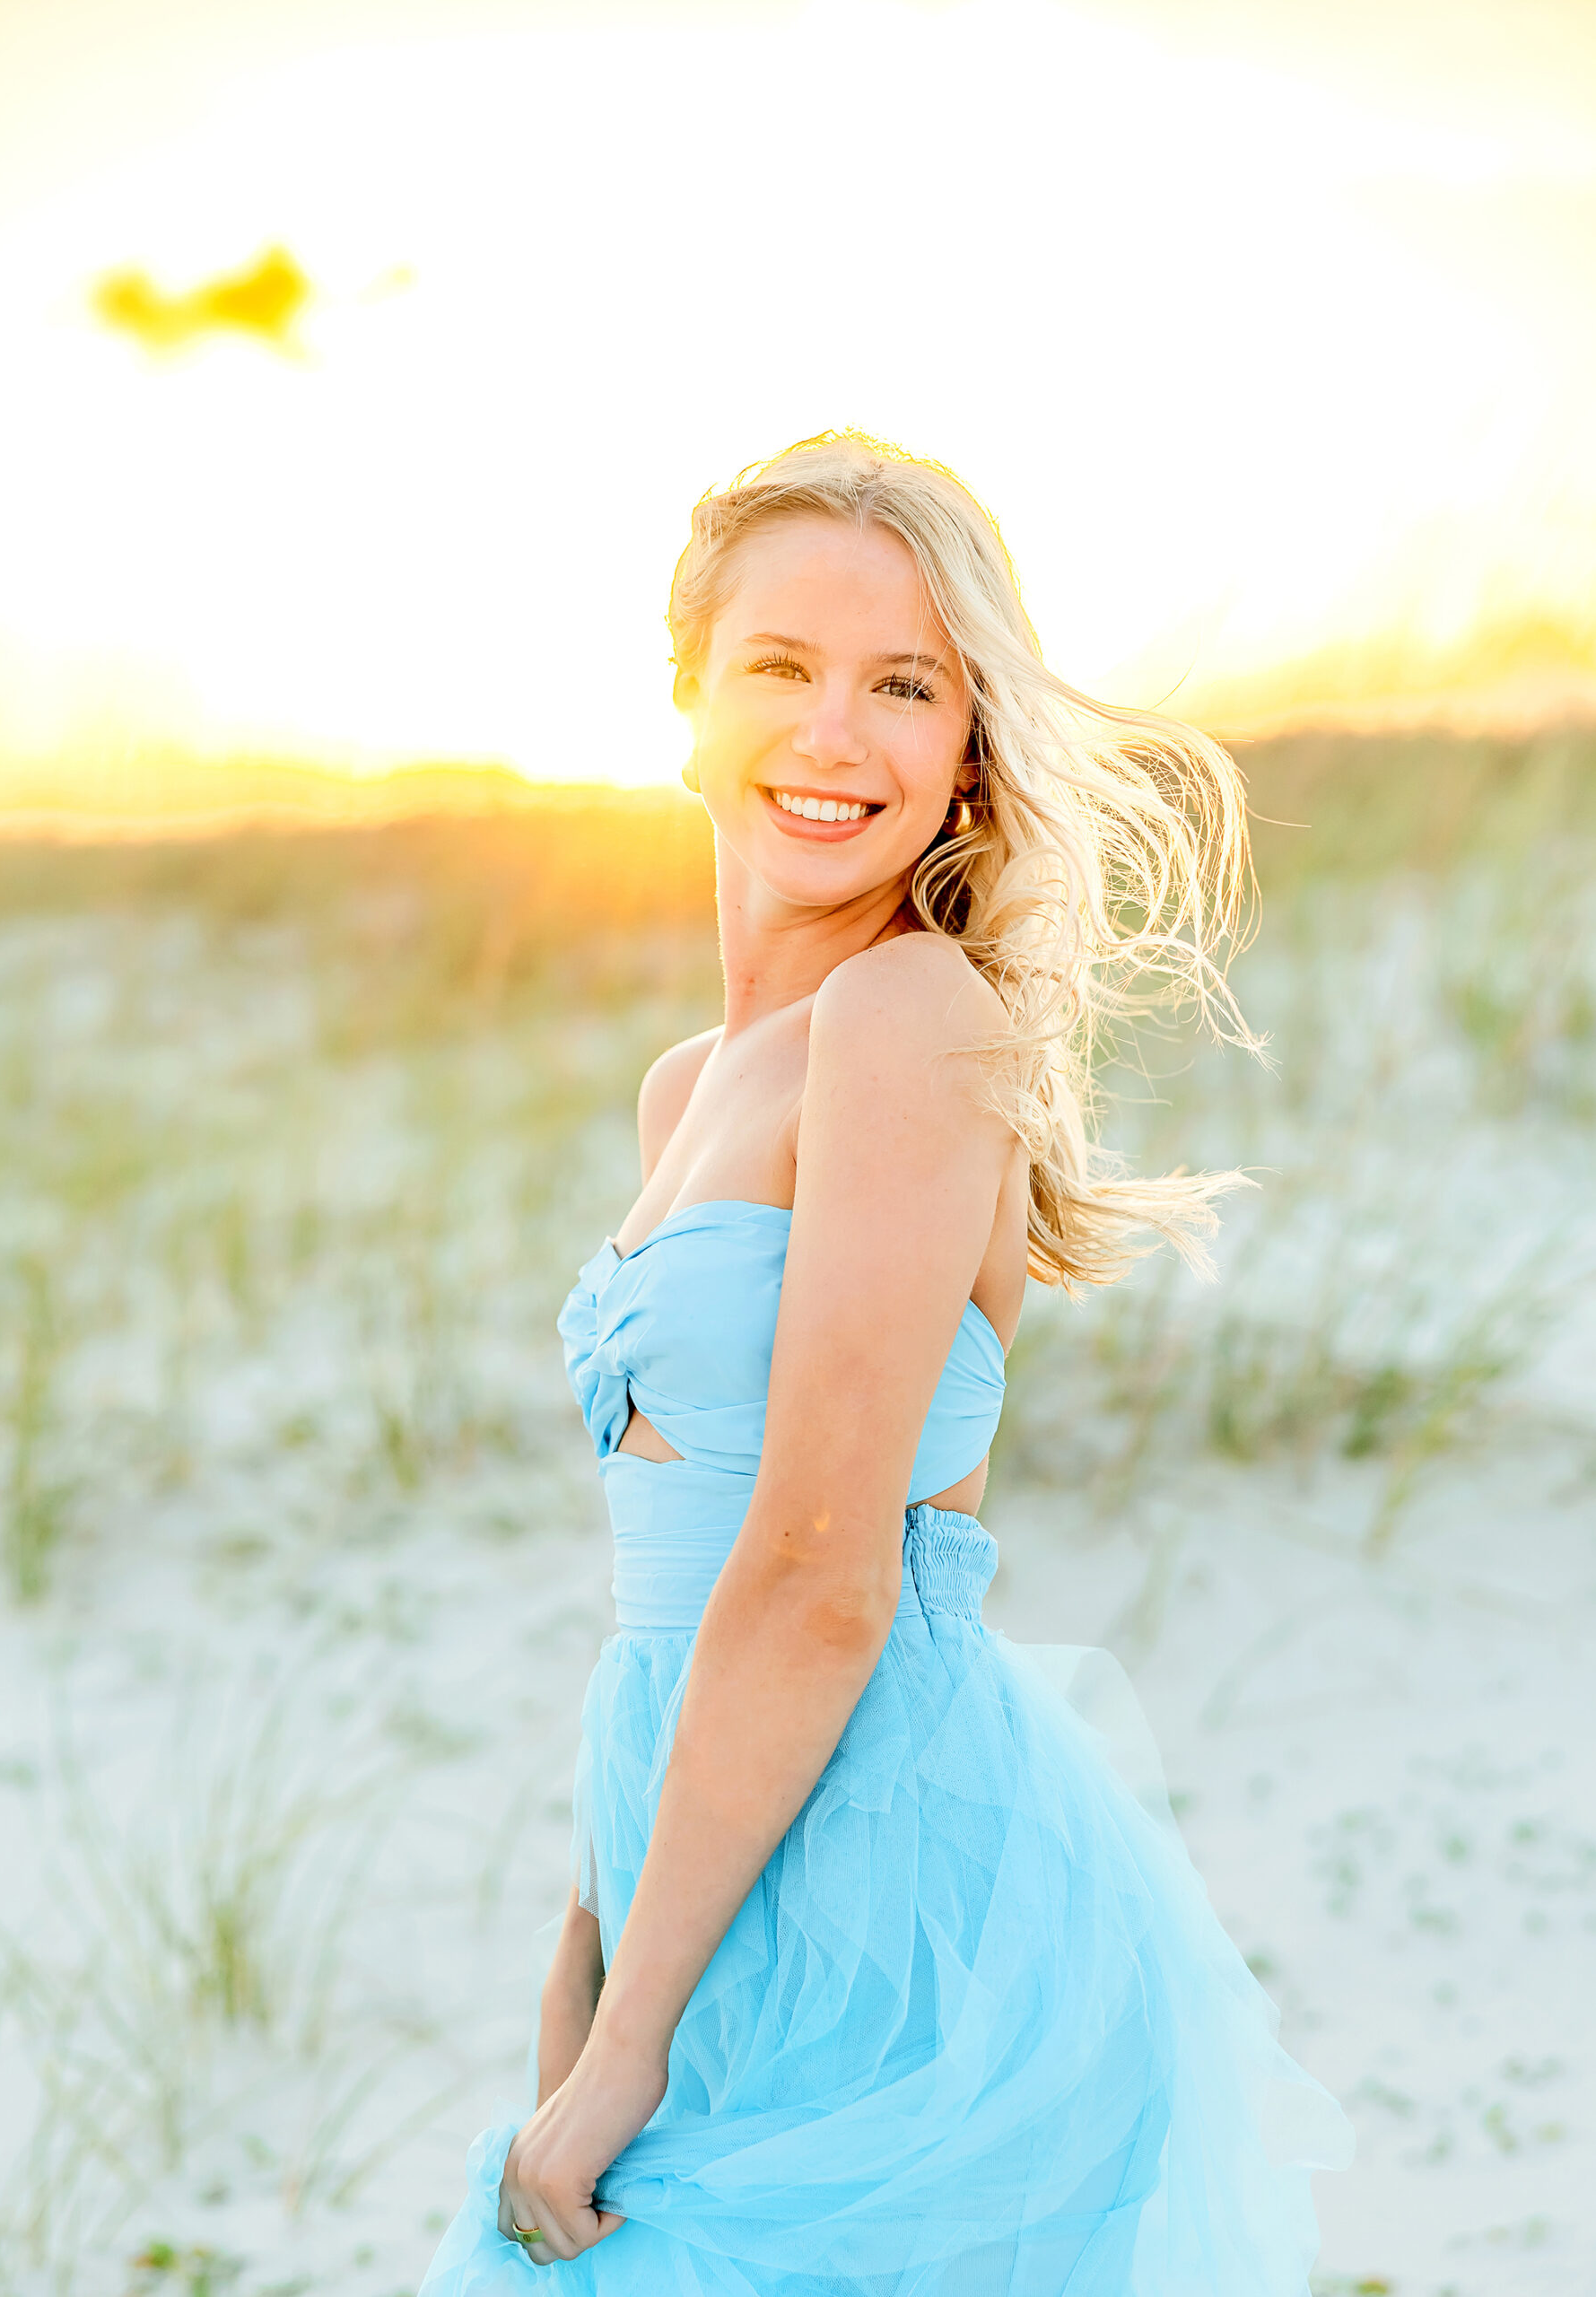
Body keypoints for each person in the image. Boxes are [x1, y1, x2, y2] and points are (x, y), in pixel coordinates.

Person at [420, 432, 1352, 2293]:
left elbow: (824, 1570)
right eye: (782, 667)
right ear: (688, 700)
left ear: (969, 746)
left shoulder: (911, 1016)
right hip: (693, 1883)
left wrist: (627, 2048)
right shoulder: (692, 1084)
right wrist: (588, 1941)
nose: (836, 734)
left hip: (883, 1888)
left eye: (904, 684)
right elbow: (675, 1591)